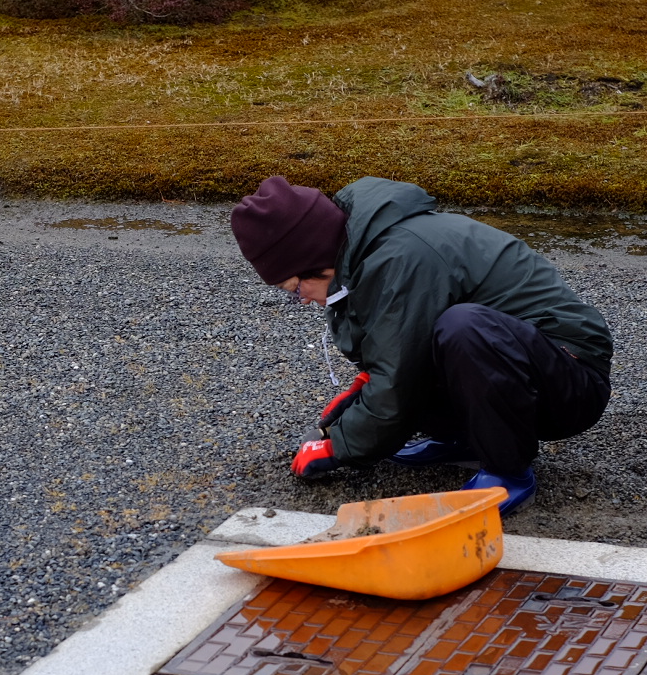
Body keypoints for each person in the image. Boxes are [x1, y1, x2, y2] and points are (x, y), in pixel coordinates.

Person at [229, 175, 613, 513]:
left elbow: (399, 381)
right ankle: (469, 441)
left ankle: (506, 473)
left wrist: (340, 447)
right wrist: (347, 410)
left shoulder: (401, 256)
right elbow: (392, 356)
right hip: (521, 371)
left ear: (313, 259)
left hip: (570, 380)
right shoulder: (359, 258)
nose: (304, 300)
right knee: (440, 340)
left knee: (464, 327)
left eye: (296, 289)